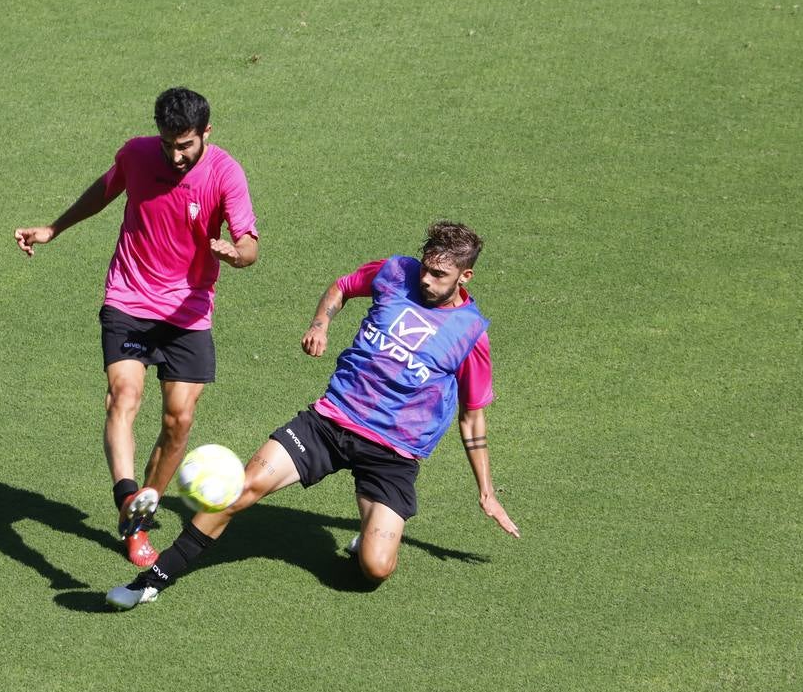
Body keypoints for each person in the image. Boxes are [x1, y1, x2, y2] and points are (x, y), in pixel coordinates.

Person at [106, 220, 518, 609]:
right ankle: (152, 581)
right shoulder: (395, 272)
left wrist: (486, 491)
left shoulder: (470, 332)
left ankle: (367, 535)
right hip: (330, 421)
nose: (426, 280)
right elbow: (342, 287)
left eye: (440, 276)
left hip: (394, 452)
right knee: (241, 489)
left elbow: (472, 417)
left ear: (465, 277)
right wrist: (320, 324)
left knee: (376, 568)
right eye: (426, 268)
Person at [14, 88, 259, 568]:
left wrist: (236, 254)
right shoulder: (137, 153)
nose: (175, 154)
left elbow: (248, 243)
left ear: (206, 133)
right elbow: (106, 189)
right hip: (129, 296)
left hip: (188, 312)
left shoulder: (226, 173)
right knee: (124, 393)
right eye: (168, 142)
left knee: (179, 420)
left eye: (185, 144)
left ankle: (141, 514)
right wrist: (53, 228)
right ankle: (129, 497)